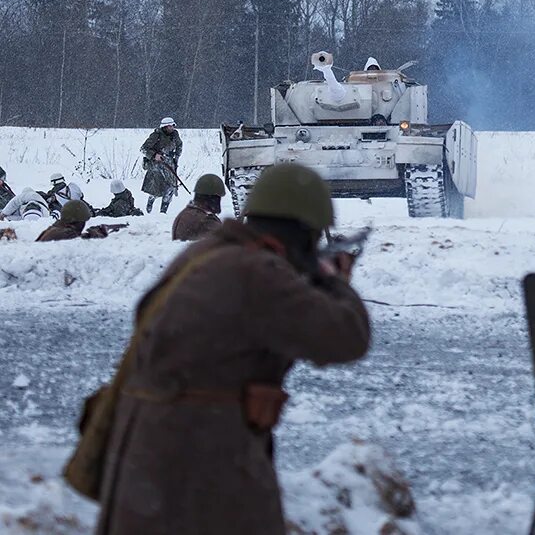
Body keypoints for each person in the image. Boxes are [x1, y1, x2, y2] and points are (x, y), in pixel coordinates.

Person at [89, 164, 371, 535]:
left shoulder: (208, 254)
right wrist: (333, 280)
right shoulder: (256, 272)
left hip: (148, 457)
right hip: (203, 462)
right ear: (302, 232)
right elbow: (347, 337)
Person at [141, 117, 184, 214]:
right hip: (156, 165)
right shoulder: (156, 135)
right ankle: (149, 206)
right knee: (155, 190)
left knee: (170, 188)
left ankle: (163, 213)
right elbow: (143, 148)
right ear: (164, 127)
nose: (172, 128)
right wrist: (154, 155)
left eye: (172, 125)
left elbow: (180, 145)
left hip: (170, 165)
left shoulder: (175, 135)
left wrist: (176, 156)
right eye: (169, 126)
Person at [172, 174, 227, 241]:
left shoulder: (184, 214)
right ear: (213, 198)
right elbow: (226, 244)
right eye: (218, 198)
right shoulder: (206, 221)